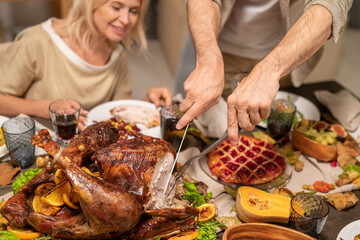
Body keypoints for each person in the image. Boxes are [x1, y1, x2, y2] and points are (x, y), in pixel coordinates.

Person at [176, 0, 353, 144]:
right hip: (221, 50)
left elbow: (331, 5)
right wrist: (208, 57)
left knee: (276, 137)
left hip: (286, 55)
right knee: (204, 134)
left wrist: (269, 70)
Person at [0, 0, 172, 131]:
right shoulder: (37, 41)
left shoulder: (118, 56)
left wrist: (145, 105)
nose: (126, 20)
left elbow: (117, 115)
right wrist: (45, 108)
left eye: (133, 11)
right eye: (116, 7)